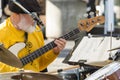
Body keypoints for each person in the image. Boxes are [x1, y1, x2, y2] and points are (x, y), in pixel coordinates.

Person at [0, 0, 66, 73]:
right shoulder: (1, 33)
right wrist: (20, 72)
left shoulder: (36, 30)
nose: (34, 21)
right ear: (15, 16)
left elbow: (40, 65)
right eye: (32, 16)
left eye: (36, 15)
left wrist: (54, 52)